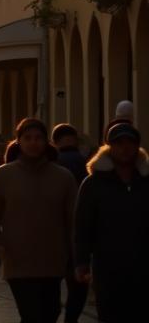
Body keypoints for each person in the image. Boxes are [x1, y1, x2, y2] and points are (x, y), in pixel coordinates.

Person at [0, 118, 77, 323]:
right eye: (28, 138)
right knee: (31, 314)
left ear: (46, 142)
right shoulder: (4, 175)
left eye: (38, 138)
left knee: (50, 313)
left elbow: (73, 219)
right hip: (18, 261)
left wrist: (76, 254)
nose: (33, 143)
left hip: (52, 261)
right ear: (19, 142)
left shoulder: (62, 177)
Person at [74, 121, 148, 322]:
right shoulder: (93, 183)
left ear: (137, 146)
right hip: (108, 267)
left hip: (143, 266)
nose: (125, 148)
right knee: (110, 314)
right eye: (119, 143)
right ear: (109, 146)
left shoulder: (146, 180)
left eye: (129, 142)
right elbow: (83, 224)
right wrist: (81, 261)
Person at [51, 123, 90, 323]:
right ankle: (71, 318)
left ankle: (53, 310)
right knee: (78, 284)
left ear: (54, 142)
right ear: (75, 140)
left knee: (51, 282)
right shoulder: (86, 163)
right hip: (79, 234)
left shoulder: (52, 164)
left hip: (53, 234)